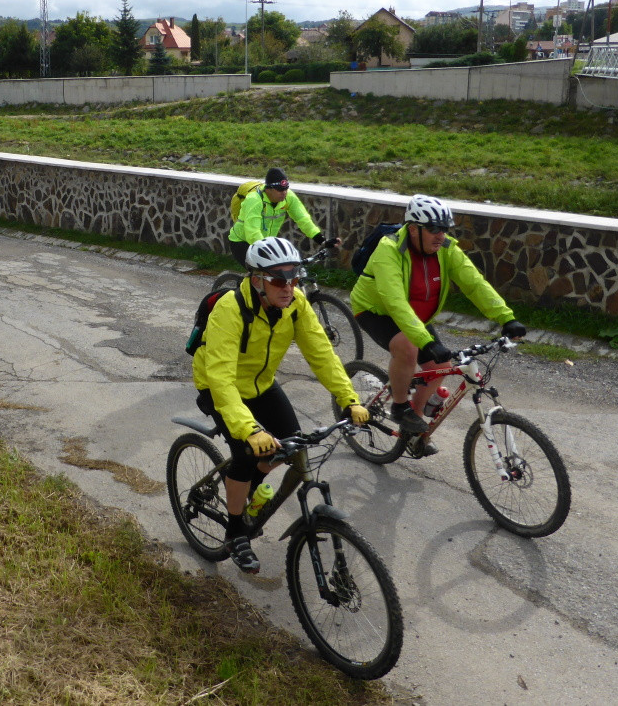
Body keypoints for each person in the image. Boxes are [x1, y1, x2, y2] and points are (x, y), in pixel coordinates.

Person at [191, 236, 369, 574]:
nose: (288, 287)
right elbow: (220, 377)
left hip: (261, 385)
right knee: (245, 454)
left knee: (291, 445)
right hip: (219, 386)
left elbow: (322, 354)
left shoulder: (296, 303)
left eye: (294, 278)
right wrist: (249, 429)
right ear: (257, 280)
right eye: (278, 280)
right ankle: (235, 531)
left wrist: (349, 399)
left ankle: (247, 487)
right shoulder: (230, 309)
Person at [350, 194, 526, 456]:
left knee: (440, 367)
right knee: (407, 347)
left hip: (416, 317)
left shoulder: (446, 249)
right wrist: (426, 341)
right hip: (377, 310)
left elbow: (474, 284)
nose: (440, 235)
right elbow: (395, 302)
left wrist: (506, 317)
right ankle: (400, 406)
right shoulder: (389, 250)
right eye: (433, 229)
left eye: (444, 229)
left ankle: (414, 423)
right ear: (413, 229)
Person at [227, 167, 339, 267]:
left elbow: (303, 219)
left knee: (281, 274)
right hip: (242, 242)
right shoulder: (254, 199)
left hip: (265, 243)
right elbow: (252, 231)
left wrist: (321, 240)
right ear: (269, 189)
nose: (284, 192)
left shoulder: (288, 197)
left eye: (286, 189)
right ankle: (246, 285)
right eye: (280, 190)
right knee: (260, 275)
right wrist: (268, 250)